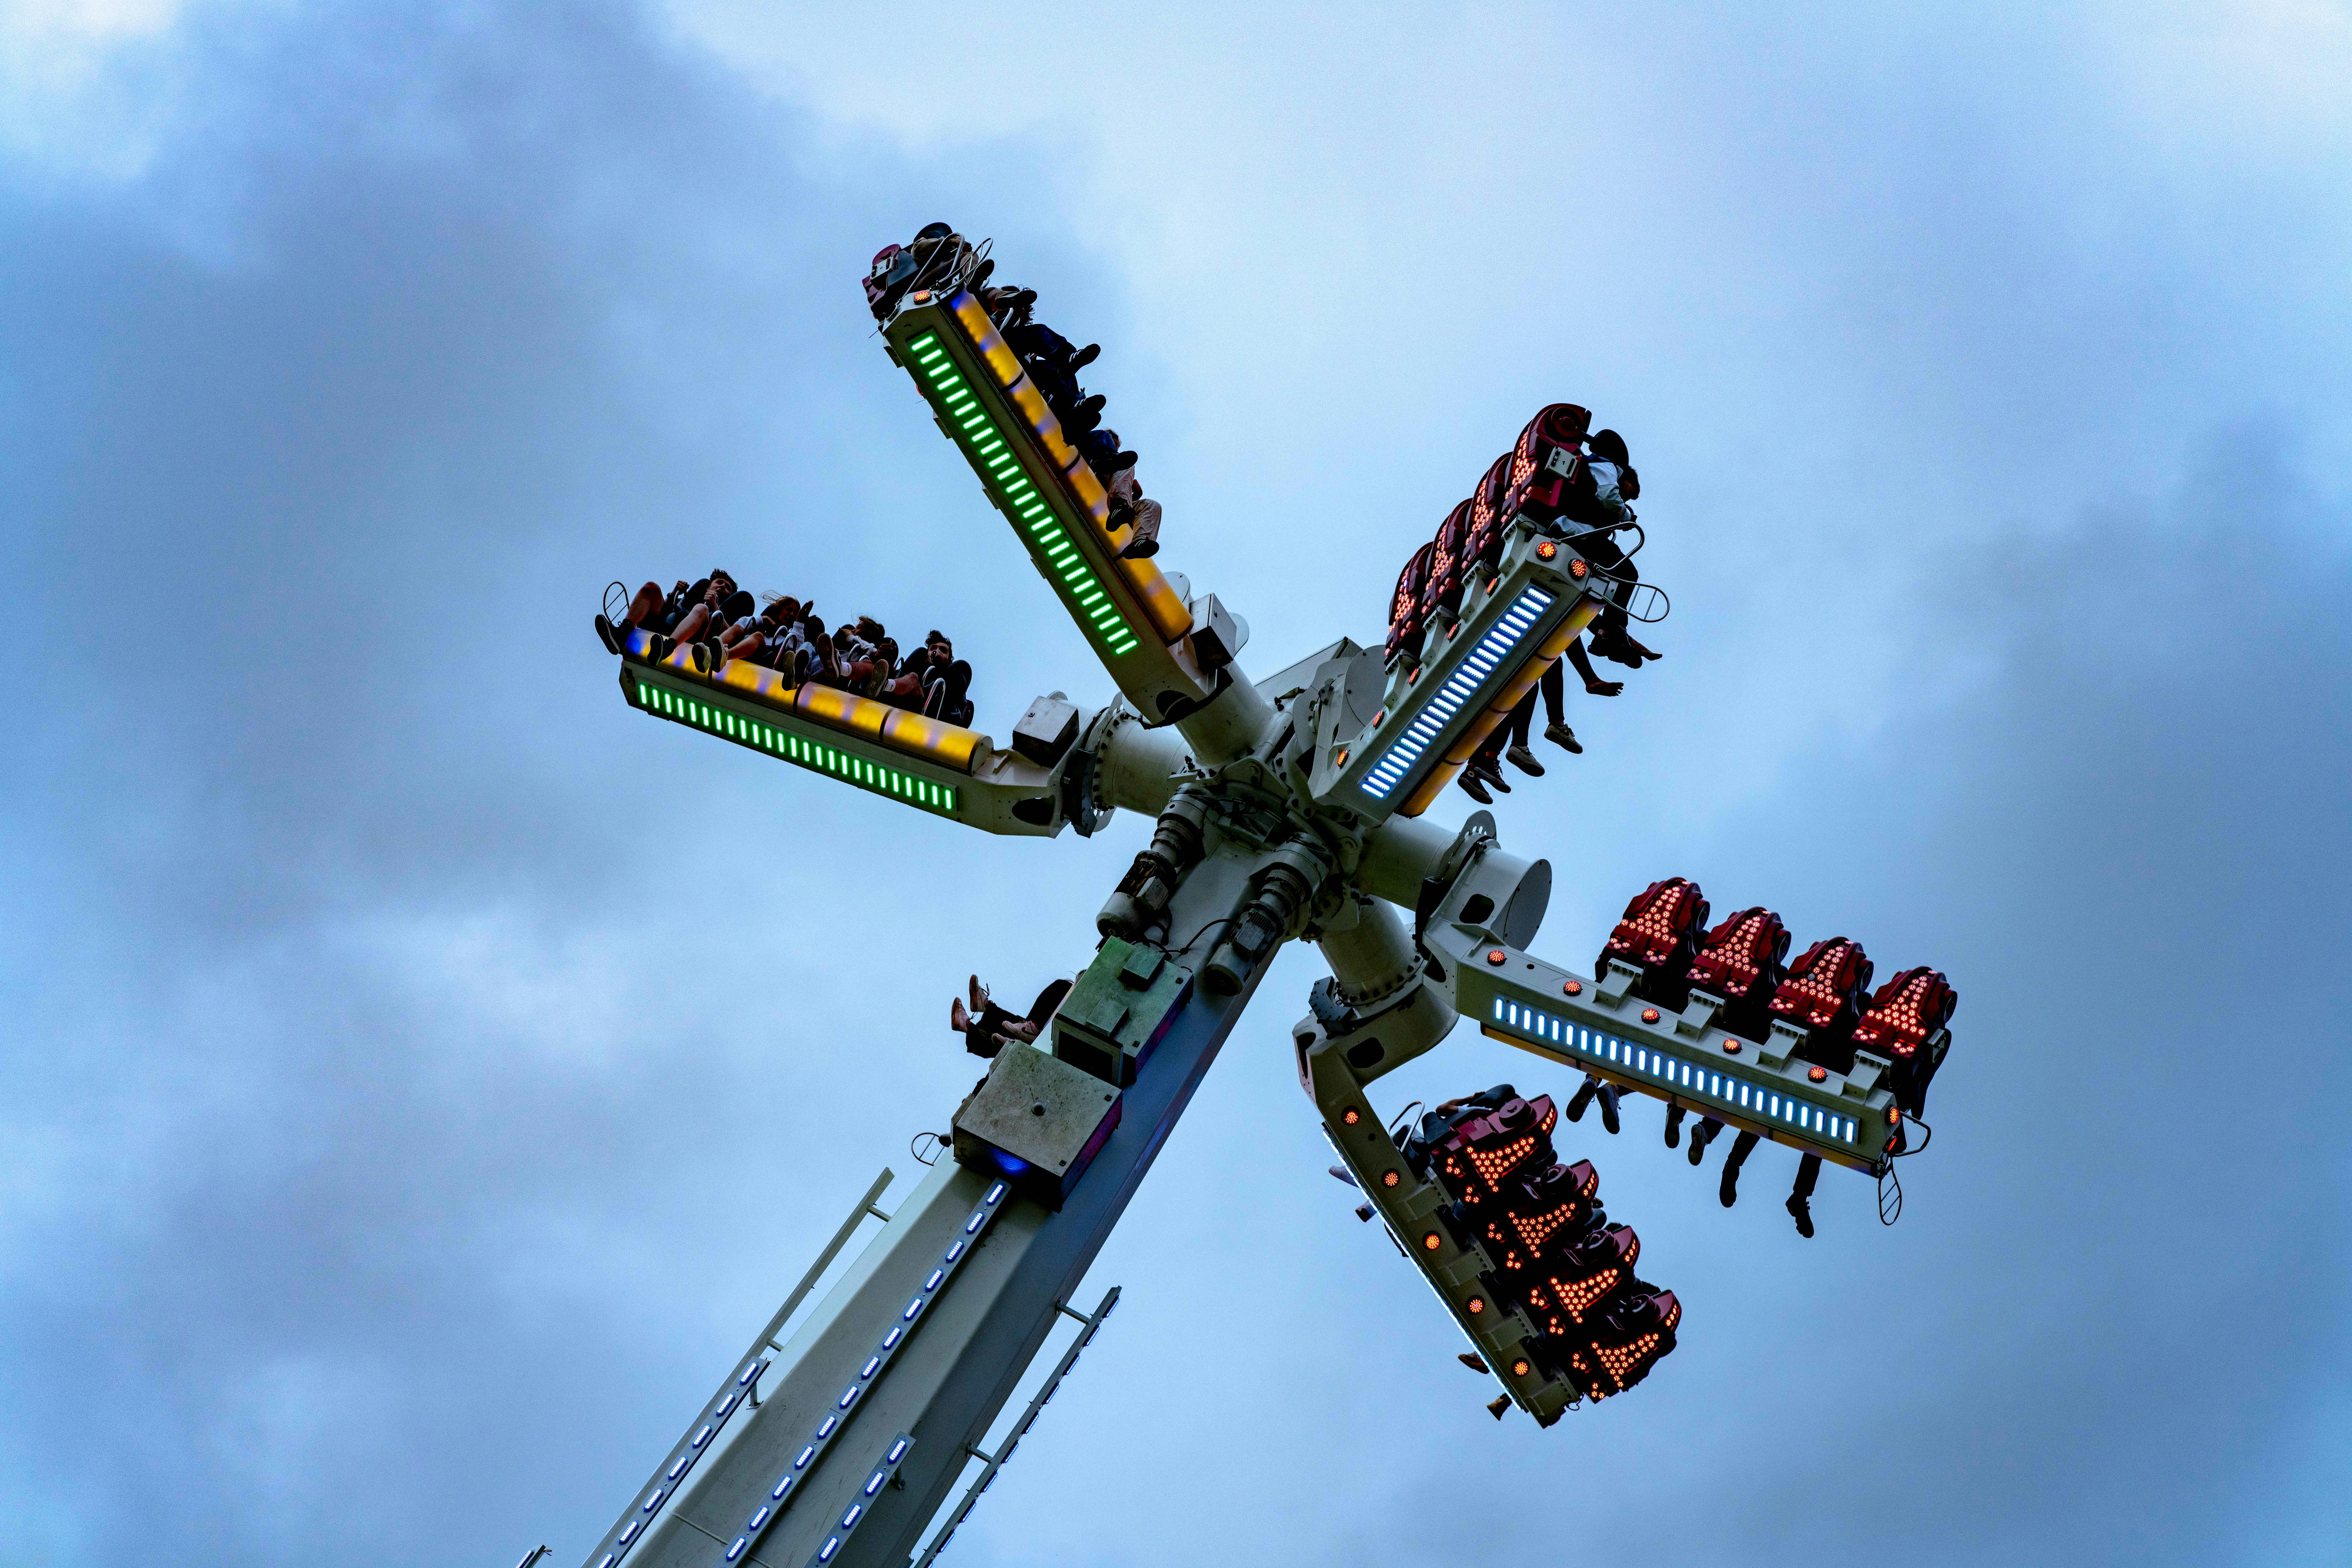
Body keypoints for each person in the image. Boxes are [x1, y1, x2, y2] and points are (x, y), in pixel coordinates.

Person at [1570, 430, 1662, 669]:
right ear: (1625, 475)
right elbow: (1610, 498)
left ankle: (1608, 634)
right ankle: (1609, 633)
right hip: (1578, 532)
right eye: (1627, 493)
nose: (1625, 498)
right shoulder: (1606, 466)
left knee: (1598, 586)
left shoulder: (1592, 469)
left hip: (1579, 532)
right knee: (1628, 573)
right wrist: (1626, 516)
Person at [951, 975, 1072, 1058]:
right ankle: (983, 1010)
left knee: (1064, 986)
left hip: (1044, 1045)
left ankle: (970, 1024)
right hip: (1044, 1033)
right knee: (1063, 985)